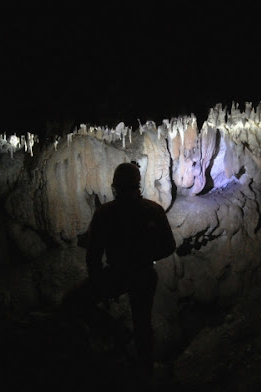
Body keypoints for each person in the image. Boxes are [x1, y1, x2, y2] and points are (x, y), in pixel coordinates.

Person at [64, 162, 176, 378]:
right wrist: (148, 256)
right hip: (143, 274)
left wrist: (97, 282)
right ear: (138, 186)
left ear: (115, 187)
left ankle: (114, 332)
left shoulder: (105, 214)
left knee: (74, 301)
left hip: (117, 274)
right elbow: (169, 246)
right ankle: (145, 372)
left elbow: (93, 256)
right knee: (142, 324)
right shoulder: (153, 210)